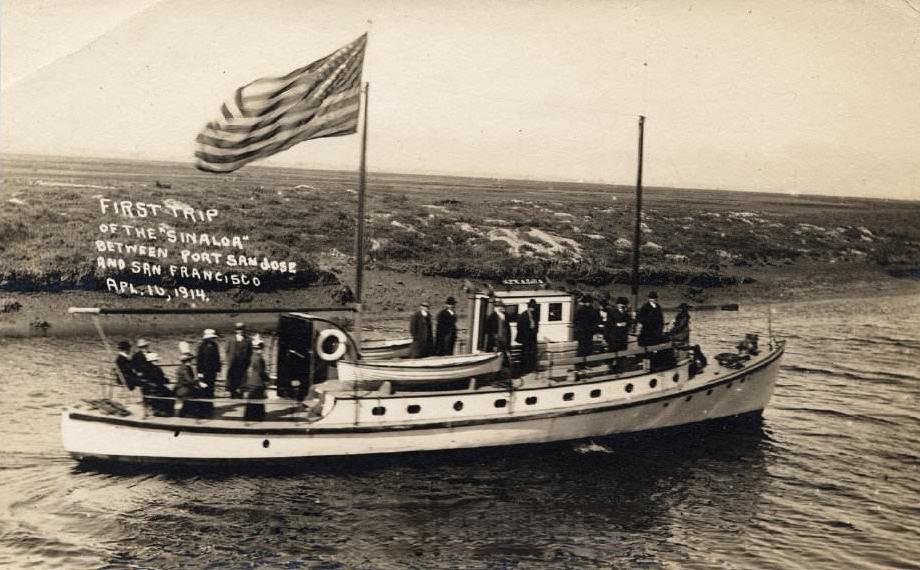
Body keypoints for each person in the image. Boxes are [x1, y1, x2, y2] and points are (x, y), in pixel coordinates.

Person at [132, 341, 174, 417]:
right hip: (149, 382)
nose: (144, 348)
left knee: (169, 392)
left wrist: (166, 380)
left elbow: (160, 376)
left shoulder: (152, 360)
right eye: (142, 347)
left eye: (145, 346)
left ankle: (166, 410)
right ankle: (159, 410)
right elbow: (134, 367)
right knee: (165, 393)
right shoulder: (136, 356)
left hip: (154, 382)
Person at [196, 328, 221, 416]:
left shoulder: (215, 345)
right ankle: (203, 408)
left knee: (211, 389)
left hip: (212, 372)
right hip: (204, 372)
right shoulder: (201, 346)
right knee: (204, 389)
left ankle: (209, 406)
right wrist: (199, 372)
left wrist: (218, 369)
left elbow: (217, 358)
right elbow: (199, 360)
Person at [244, 336, 270, 421]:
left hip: (252, 381)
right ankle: (256, 417)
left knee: (251, 400)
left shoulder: (252, 356)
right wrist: (267, 379)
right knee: (258, 400)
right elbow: (261, 372)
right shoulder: (259, 358)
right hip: (258, 382)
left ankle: (250, 416)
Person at [225, 322, 252, 398]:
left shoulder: (248, 340)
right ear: (236, 330)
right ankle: (232, 393)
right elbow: (227, 351)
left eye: (242, 329)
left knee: (242, 378)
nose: (240, 331)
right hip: (233, 362)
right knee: (232, 377)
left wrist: (247, 362)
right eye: (238, 329)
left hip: (243, 362)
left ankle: (241, 393)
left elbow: (250, 352)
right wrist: (229, 360)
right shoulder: (231, 339)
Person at [175, 350, 205, 418]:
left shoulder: (186, 367)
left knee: (199, 391)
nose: (191, 361)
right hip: (182, 389)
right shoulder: (184, 369)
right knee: (199, 392)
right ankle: (192, 411)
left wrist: (197, 383)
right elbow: (189, 380)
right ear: (186, 361)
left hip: (184, 387)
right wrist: (198, 382)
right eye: (190, 360)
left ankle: (189, 411)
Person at [516, 299, 540, 373]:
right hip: (525, 338)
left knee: (532, 353)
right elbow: (519, 327)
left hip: (532, 338)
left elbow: (536, 325)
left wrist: (535, 331)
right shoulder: (523, 315)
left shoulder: (535, 315)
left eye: (534, 307)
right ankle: (524, 369)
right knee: (525, 353)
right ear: (528, 307)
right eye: (532, 307)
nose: (533, 309)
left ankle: (532, 368)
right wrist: (525, 335)